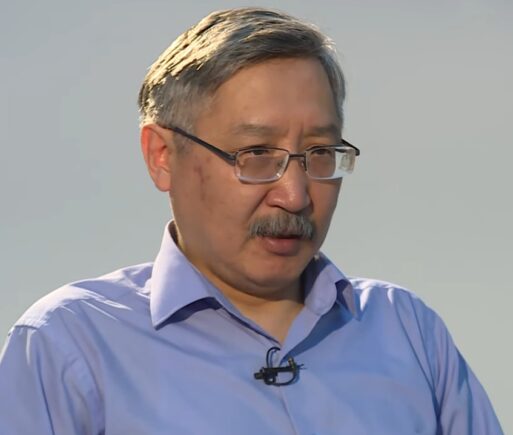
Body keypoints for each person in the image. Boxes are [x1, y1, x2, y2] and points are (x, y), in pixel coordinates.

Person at [0, 7, 503, 434]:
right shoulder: (71, 346)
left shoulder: (408, 334)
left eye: (320, 153)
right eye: (257, 153)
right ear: (162, 156)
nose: (295, 195)